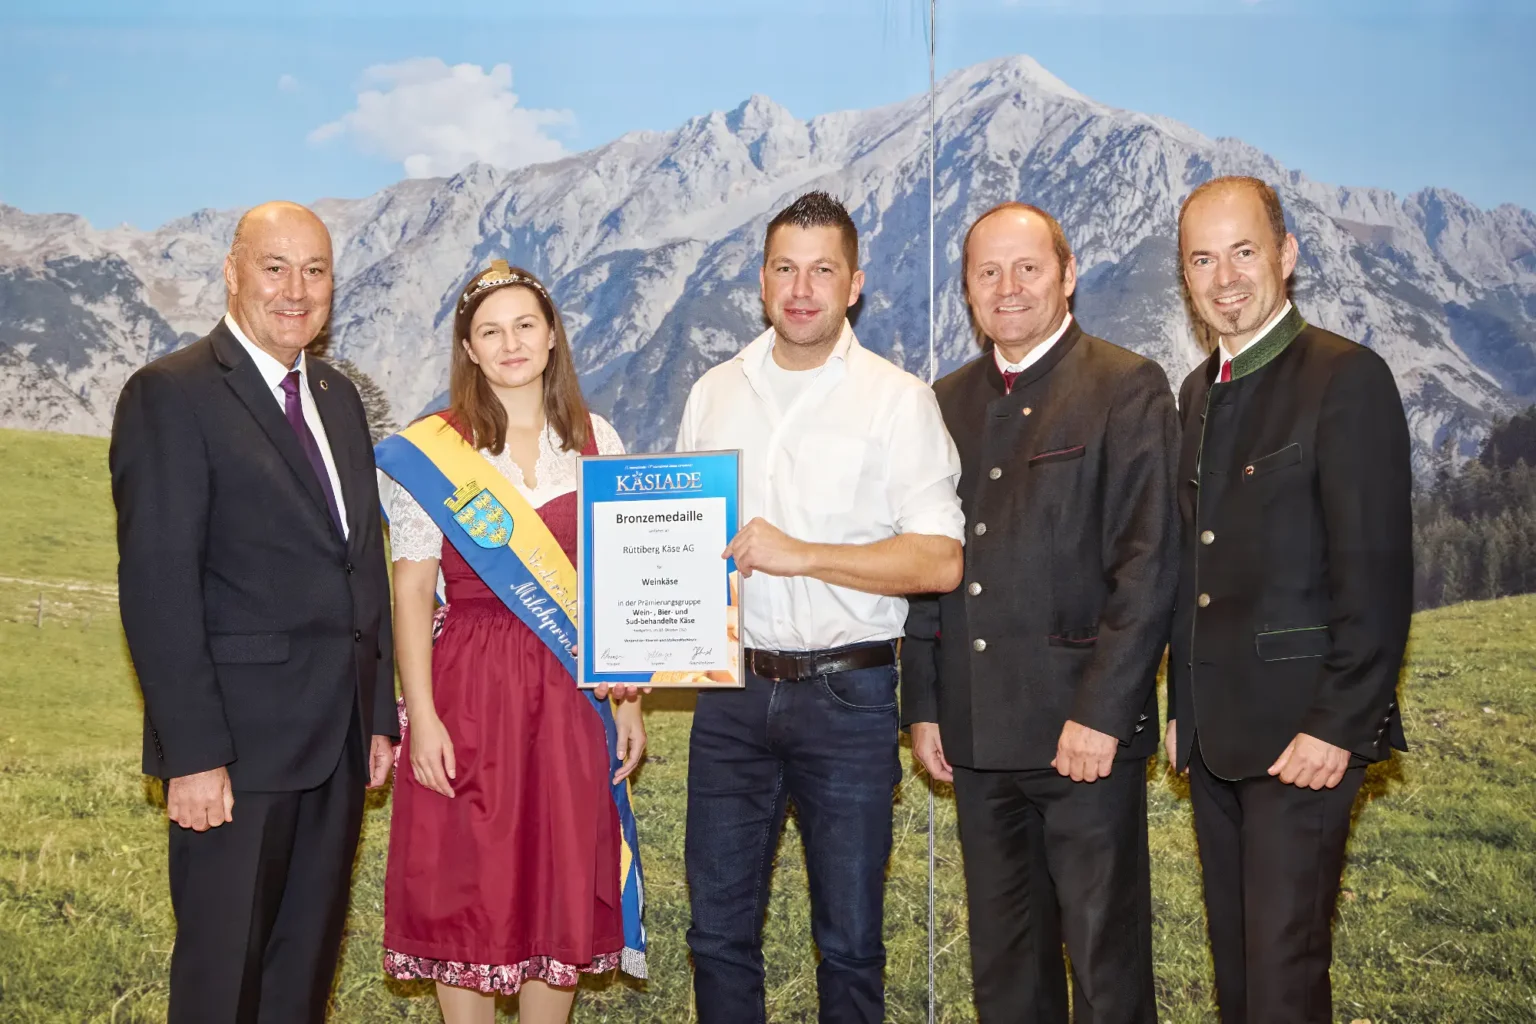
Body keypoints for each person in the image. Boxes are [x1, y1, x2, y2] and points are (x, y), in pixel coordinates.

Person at [673, 191, 964, 1024]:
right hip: (730, 697)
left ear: (855, 284)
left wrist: (804, 554)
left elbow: (940, 558)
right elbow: (684, 545)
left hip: (851, 697)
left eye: (822, 271)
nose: (802, 289)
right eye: (786, 269)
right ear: (763, 281)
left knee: (849, 942)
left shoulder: (896, 399)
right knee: (717, 934)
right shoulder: (713, 393)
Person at [109, 201, 398, 1023]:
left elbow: (360, 562)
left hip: (335, 747)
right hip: (233, 760)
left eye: (315, 270)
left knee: (300, 980)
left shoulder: (339, 397)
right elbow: (157, 588)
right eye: (275, 267)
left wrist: (375, 714)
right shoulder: (172, 394)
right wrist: (192, 756)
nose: (296, 290)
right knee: (221, 984)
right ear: (233, 272)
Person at [902, 203, 1178, 1023]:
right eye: (988, 272)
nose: (1009, 287)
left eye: (1028, 268)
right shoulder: (941, 403)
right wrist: (924, 705)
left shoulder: (1125, 386)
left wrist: (1103, 713)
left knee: (1105, 964)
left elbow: (1149, 565)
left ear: (1068, 274)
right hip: (978, 734)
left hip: (1082, 740)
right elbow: (929, 563)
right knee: (1005, 968)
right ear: (966, 291)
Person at [1167, 176, 1412, 1024]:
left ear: (1286, 256)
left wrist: (1339, 727)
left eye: (1243, 251)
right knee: (1237, 980)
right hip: (1213, 745)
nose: (1225, 276)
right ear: (1186, 275)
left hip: (1303, 737)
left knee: (1281, 984)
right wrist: (1181, 709)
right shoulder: (1197, 394)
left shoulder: (1347, 377)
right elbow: (1193, 574)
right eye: (1203, 258)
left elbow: (1376, 581)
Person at [374, 260, 647, 1024]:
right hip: (468, 681)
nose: (511, 343)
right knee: (468, 874)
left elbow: (614, 585)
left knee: (555, 869)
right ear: (468, 349)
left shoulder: (600, 441)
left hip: (568, 690)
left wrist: (626, 700)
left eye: (526, 325)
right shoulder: (432, 451)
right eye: (490, 332)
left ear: (553, 334)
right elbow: (409, 588)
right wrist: (419, 716)